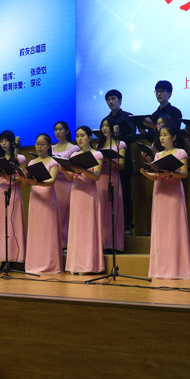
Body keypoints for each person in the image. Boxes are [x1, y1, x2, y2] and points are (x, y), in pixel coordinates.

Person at [139, 124, 190, 279]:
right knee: (161, 231)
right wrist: (146, 173)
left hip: (174, 194)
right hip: (160, 194)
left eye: (165, 135)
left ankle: (177, 269)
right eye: (160, 135)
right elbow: (156, 176)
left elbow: (184, 174)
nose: (162, 138)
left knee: (174, 229)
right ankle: (160, 269)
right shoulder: (158, 155)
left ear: (173, 137)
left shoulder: (180, 152)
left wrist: (170, 173)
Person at [63, 126, 104, 274]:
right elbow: (70, 178)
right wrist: (65, 170)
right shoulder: (74, 155)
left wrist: (84, 170)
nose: (79, 139)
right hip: (76, 193)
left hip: (89, 193)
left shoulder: (97, 154)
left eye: (82, 135)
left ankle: (89, 265)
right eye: (77, 136)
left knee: (88, 228)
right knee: (77, 228)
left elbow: (96, 176)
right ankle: (76, 264)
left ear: (89, 137)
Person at [20, 134, 63, 274]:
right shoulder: (32, 163)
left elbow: (51, 181)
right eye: (37, 143)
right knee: (36, 231)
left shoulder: (53, 162)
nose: (39, 146)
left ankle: (50, 265)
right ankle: (34, 264)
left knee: (48, 231)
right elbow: (27, 184)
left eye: (43, 144)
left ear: (49, 146)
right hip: (35, 198)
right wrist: (22, 176)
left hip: (48, 198)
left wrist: (37, 182)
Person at [0, 130, 27, 268]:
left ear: (11, 142)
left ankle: (13, 259)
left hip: (14, 191)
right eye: (1, 141)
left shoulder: (19, 158)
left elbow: (24, 179)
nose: (3, 143)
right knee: (1, 226)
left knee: (12, 224)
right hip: (1, 192)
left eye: (6, 140)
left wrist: (11, 178)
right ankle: (3, 259)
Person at [103, 89, 136, 235]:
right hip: (108, 164)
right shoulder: (106, 120)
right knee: (109, 195)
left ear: (120, 100)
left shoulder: (128, 117)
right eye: (108, 99)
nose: (111, 102)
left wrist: (119, 135)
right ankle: (111, 226)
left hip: (123, 160)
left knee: (125, 193)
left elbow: (132, 137)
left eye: (113, 99)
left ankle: (127, 224)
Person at [96, 117, 126, 251]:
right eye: (102, 126)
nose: (104, 128)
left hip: (113, 177)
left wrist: (110, 160)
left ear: (113, 128)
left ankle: (115, 244)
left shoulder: (120, 144)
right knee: (102, 211)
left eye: (107, 126)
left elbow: (121, 165)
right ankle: (102, 243)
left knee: (113, 210)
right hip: (100, 180)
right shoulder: (99, 145)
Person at [52, 121, 77, 247]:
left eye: (60, 129)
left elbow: (75, 168)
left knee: (66, 214)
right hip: (53, 184)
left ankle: (66, 243)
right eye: (56, 129)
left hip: (67, 184)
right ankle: (56, 243)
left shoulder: (74, 148)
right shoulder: (50, 148)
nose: (57, 132)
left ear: (67, 131)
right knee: (54, 214)